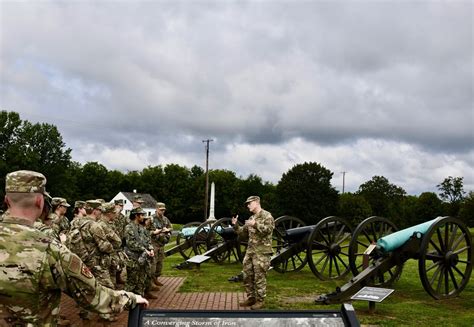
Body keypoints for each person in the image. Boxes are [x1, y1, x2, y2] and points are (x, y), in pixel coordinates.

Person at [0, 170, 148, 326]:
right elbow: (93, 296)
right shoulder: (49, 248)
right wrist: (131, 299)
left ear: (6, 200)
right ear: (39, 201)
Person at [231, 195, 275, 310]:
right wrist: (235, 225)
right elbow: (242, 233)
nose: (248, 205)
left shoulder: (267, 216)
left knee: (259, 277)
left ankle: (260, 301)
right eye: (247, 204)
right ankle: (251, 298)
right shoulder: (251, 218)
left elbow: (268, 230)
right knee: (247, 275)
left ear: (256, 202)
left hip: (262, 253)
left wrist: (255, 224)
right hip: (250, 252)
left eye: (249, 203)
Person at [124, 207, 156, 298]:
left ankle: (138, 302)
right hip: (133, 259)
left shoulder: (142, 228)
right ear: (136, 216)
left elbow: (148, 240)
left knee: (141, 282)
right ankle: (126, 302)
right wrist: (144, 249)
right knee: (131, 282)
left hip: (143, 258)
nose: (143, 217)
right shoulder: (129, 227)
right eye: (141, 215)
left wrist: (151, 249)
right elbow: (131, 243)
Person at [148, 202, 173, 286]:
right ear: (156, 209)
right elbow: (145, 231)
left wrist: (167, 230)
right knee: (153, 264)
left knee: (160, 264)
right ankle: (151, 283)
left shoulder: (165, 219)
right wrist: (154, 232)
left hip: (162, 244)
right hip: (153, 244)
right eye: (161, 210)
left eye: (164, 210)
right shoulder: (150, 219)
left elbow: (171, 227)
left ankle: (156, 279)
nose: (163, 211)